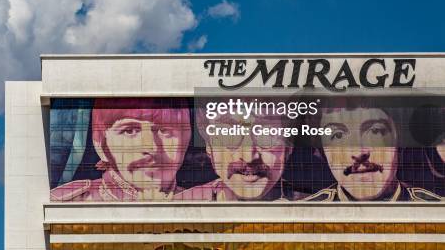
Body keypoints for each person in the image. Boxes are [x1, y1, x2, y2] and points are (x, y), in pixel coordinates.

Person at [50, 98, 192, 201]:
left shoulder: (198, 201)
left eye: (164, 130)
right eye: (130, 131)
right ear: (99, 143)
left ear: (185, 141)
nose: (152, 147)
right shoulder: (73, 201)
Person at [307, 100, 442, 202]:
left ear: (399, 139)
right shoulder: (304, 214)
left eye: (375, 131)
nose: (359, 152)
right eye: (338, 135)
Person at [177, 101, 296, 201]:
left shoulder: (313, 209)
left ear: (289, 146)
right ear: (209, 145)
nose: (249, 156)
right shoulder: (181, 208)